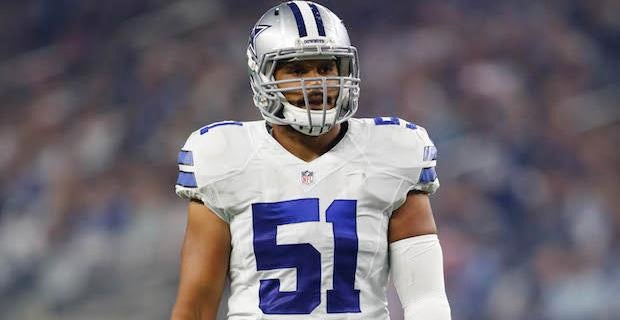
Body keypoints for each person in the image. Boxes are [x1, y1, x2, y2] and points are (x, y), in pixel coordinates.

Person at [170, 1, 451, 319]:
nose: (316, 81)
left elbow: (425, 300)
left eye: (326, 68)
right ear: (262, 75)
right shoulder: (223, 157)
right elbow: (196, 306)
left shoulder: (393, 151)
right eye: (298, 69)